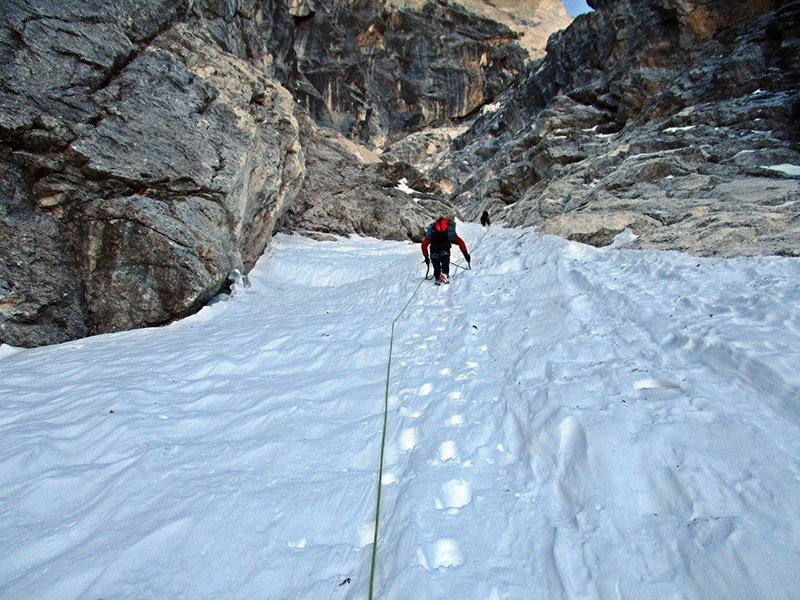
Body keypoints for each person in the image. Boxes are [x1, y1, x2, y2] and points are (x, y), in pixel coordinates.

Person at [421, 216, 470, 285]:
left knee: (436, 265)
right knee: (445, 262)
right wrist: (465, 253)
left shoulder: (432, 231)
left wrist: (426, 257)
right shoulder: (449, 232)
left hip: (434, 250)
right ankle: (445, 275)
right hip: (445, 249)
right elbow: (460, 242)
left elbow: (424, 245)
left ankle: (437, 277)